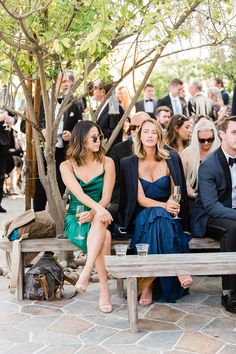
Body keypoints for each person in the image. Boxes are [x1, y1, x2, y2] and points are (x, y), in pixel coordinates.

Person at [120, 118, 192, 305]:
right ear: (139, 135)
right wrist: (163, 206)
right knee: (156, 215)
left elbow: (176, 191)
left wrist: (170, 203)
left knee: (160, 219)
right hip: (142, 213)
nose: (150, 135)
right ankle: (177, 267)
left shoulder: (171, 158)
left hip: (168, 215)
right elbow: (141, 199)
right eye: (146, 132)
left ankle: (147, 285)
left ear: (159, 136)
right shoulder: (129, 163)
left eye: (154, 132)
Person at [60, 120, 115, 313]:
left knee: (100, 225)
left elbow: (107, 196)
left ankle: (86, 272)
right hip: (76, 217)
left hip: (98, 214)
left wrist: (94, 212)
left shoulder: (108, 162)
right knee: (104, 235)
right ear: (81, 140)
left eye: (99, 137)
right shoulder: (66, 166)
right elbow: (79, 194)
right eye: (94, 137)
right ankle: (104, 289)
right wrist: (96, 211)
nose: (98, 140)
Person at [191, 116, 236, 313]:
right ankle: (229, 291)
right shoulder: (209, 164)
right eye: (234, 132)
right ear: (223, 135)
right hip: (208, 216)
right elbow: (211, 206)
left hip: (231, 213)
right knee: (233, 229)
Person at [34, 71, 82, 211]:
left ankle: (60, 220)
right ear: (54, 82)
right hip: (43, 153)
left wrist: (72, 135)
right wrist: (41, 132)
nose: (67, 84)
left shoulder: (74, 103)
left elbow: (80, 129)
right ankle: (39, 220)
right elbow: (25, 126)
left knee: (62, 187)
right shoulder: (39, 101)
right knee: (40, 189)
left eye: (68, 81)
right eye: (63, 82)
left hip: (63, 153)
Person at [108, 112, 150, 223]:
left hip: (154, 199)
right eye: (133, 127)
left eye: (140, 127)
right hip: (125, 200)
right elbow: (116, 184)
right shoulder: (118, 150)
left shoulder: (163, 151)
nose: (136, 130)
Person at [181, 118, 220, 206]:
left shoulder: (220, 152)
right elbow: (180, 181)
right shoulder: (187, 154)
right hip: (193, 200)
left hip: (218, 199)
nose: (206, 143)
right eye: (202, 140)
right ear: (196, 138)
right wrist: (189, 191)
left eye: (210, 139)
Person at [93, 81, 124, 146]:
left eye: (95, 87)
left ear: (102, 92)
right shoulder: (103, 105)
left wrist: (96, 128)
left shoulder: (114, 106)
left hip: (111, 151)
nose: (93, 90)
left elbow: (114, 133)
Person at [0, 111, 16, 212]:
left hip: (4, 144)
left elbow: (14, 116)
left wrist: (10, 119)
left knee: (1, 174)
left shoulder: (5, 105)